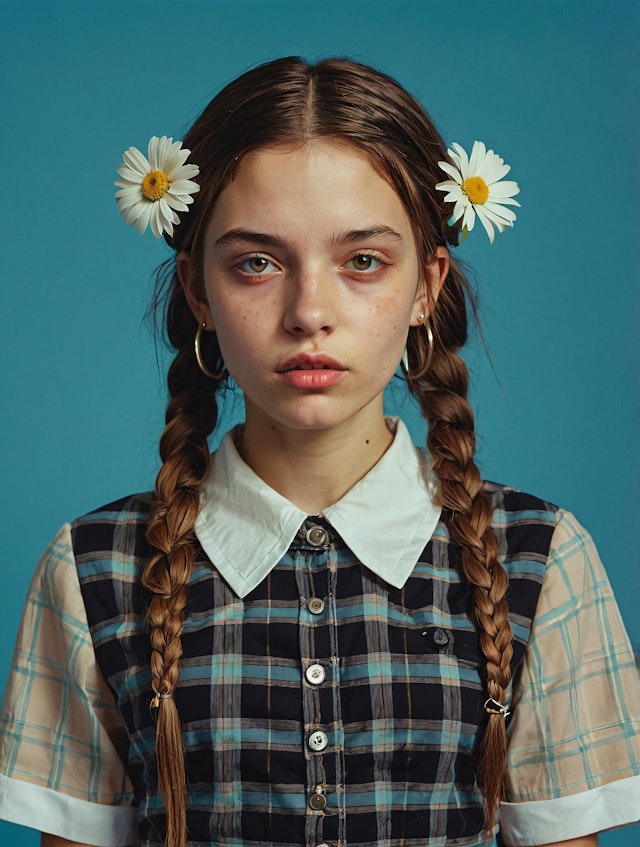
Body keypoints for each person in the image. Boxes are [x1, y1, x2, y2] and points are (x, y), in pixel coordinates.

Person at [0, 56, 638, 847]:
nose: (310, 311)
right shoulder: (92, 571)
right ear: (198, 288)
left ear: (426, 285)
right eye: (256, 263)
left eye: (362, 260)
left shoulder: (543, 563)